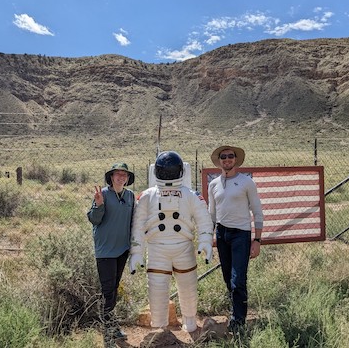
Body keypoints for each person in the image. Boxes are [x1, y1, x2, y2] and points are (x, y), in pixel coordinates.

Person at [129, 151, 214, 332]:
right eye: (165, 171)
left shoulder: (190, 195)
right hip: (156, 248)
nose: (168, 174)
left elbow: (204, 220)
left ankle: (190, 321)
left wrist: (205, 240)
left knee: (188, 286)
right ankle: (159, 326)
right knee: (157, 290)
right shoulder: (147, 196)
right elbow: (137, 226)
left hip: (183, 247)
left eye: (171, 171)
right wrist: (136, 252)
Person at [208, 145, 263, 335]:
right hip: (223, 234)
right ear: (220, 160)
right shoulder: (213, 184)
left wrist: (257, 239)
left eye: (230, 156)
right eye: (223, 157)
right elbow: (212, 214)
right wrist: (209, 237)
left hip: (241, 234)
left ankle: (238, 321)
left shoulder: (247, 182)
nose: (227, 159)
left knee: (238, 279)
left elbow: (257, 211)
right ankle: (234, 311)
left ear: (236, 159)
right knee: (227, 278)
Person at [87, 162, 135, 343]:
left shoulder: (130, 196)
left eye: (124, 174)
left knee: (113, 290)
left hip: (122, 249)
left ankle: (112, 327)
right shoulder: (103, 194)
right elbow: (94, 220)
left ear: (128, 178)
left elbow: (133, 221)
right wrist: (98, 205)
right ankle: (107, 335)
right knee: (107, 292)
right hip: (105, 251)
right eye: (117, 174)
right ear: (111, 177)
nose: (121, 177)